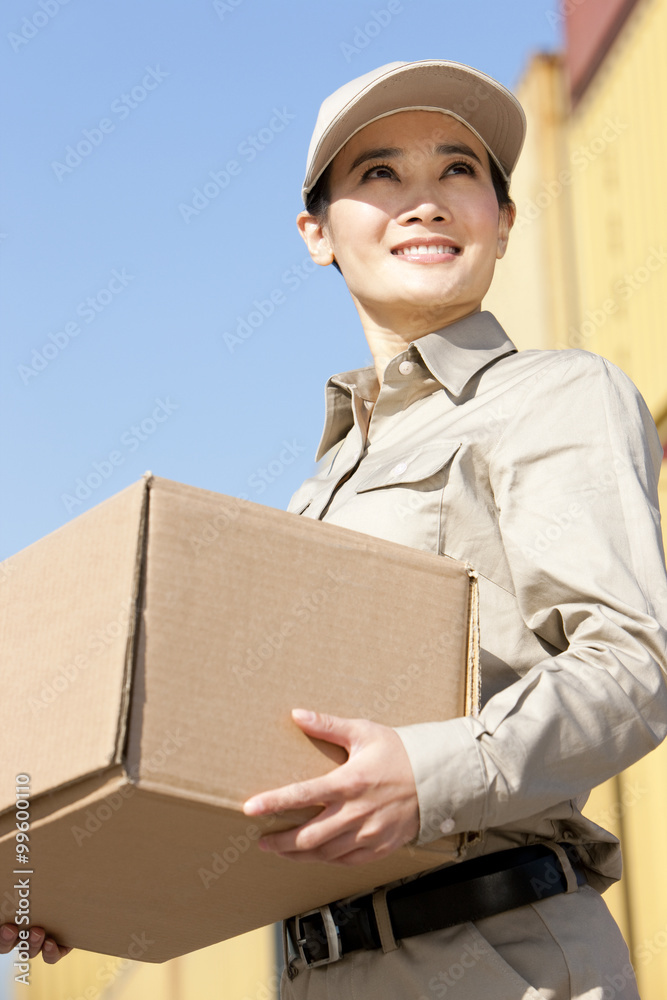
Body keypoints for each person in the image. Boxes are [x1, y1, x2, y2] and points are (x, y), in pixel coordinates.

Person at [3, 59, 666, 999]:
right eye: (380, 175)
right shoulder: (315, 494)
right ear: (316, 233)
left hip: (495, 957)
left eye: (458, 172)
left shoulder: (555, 396)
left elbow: (632, 662)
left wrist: (430, 774)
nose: (424, 202)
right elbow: (259, 779)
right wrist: (76, 880)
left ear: (503, 219)